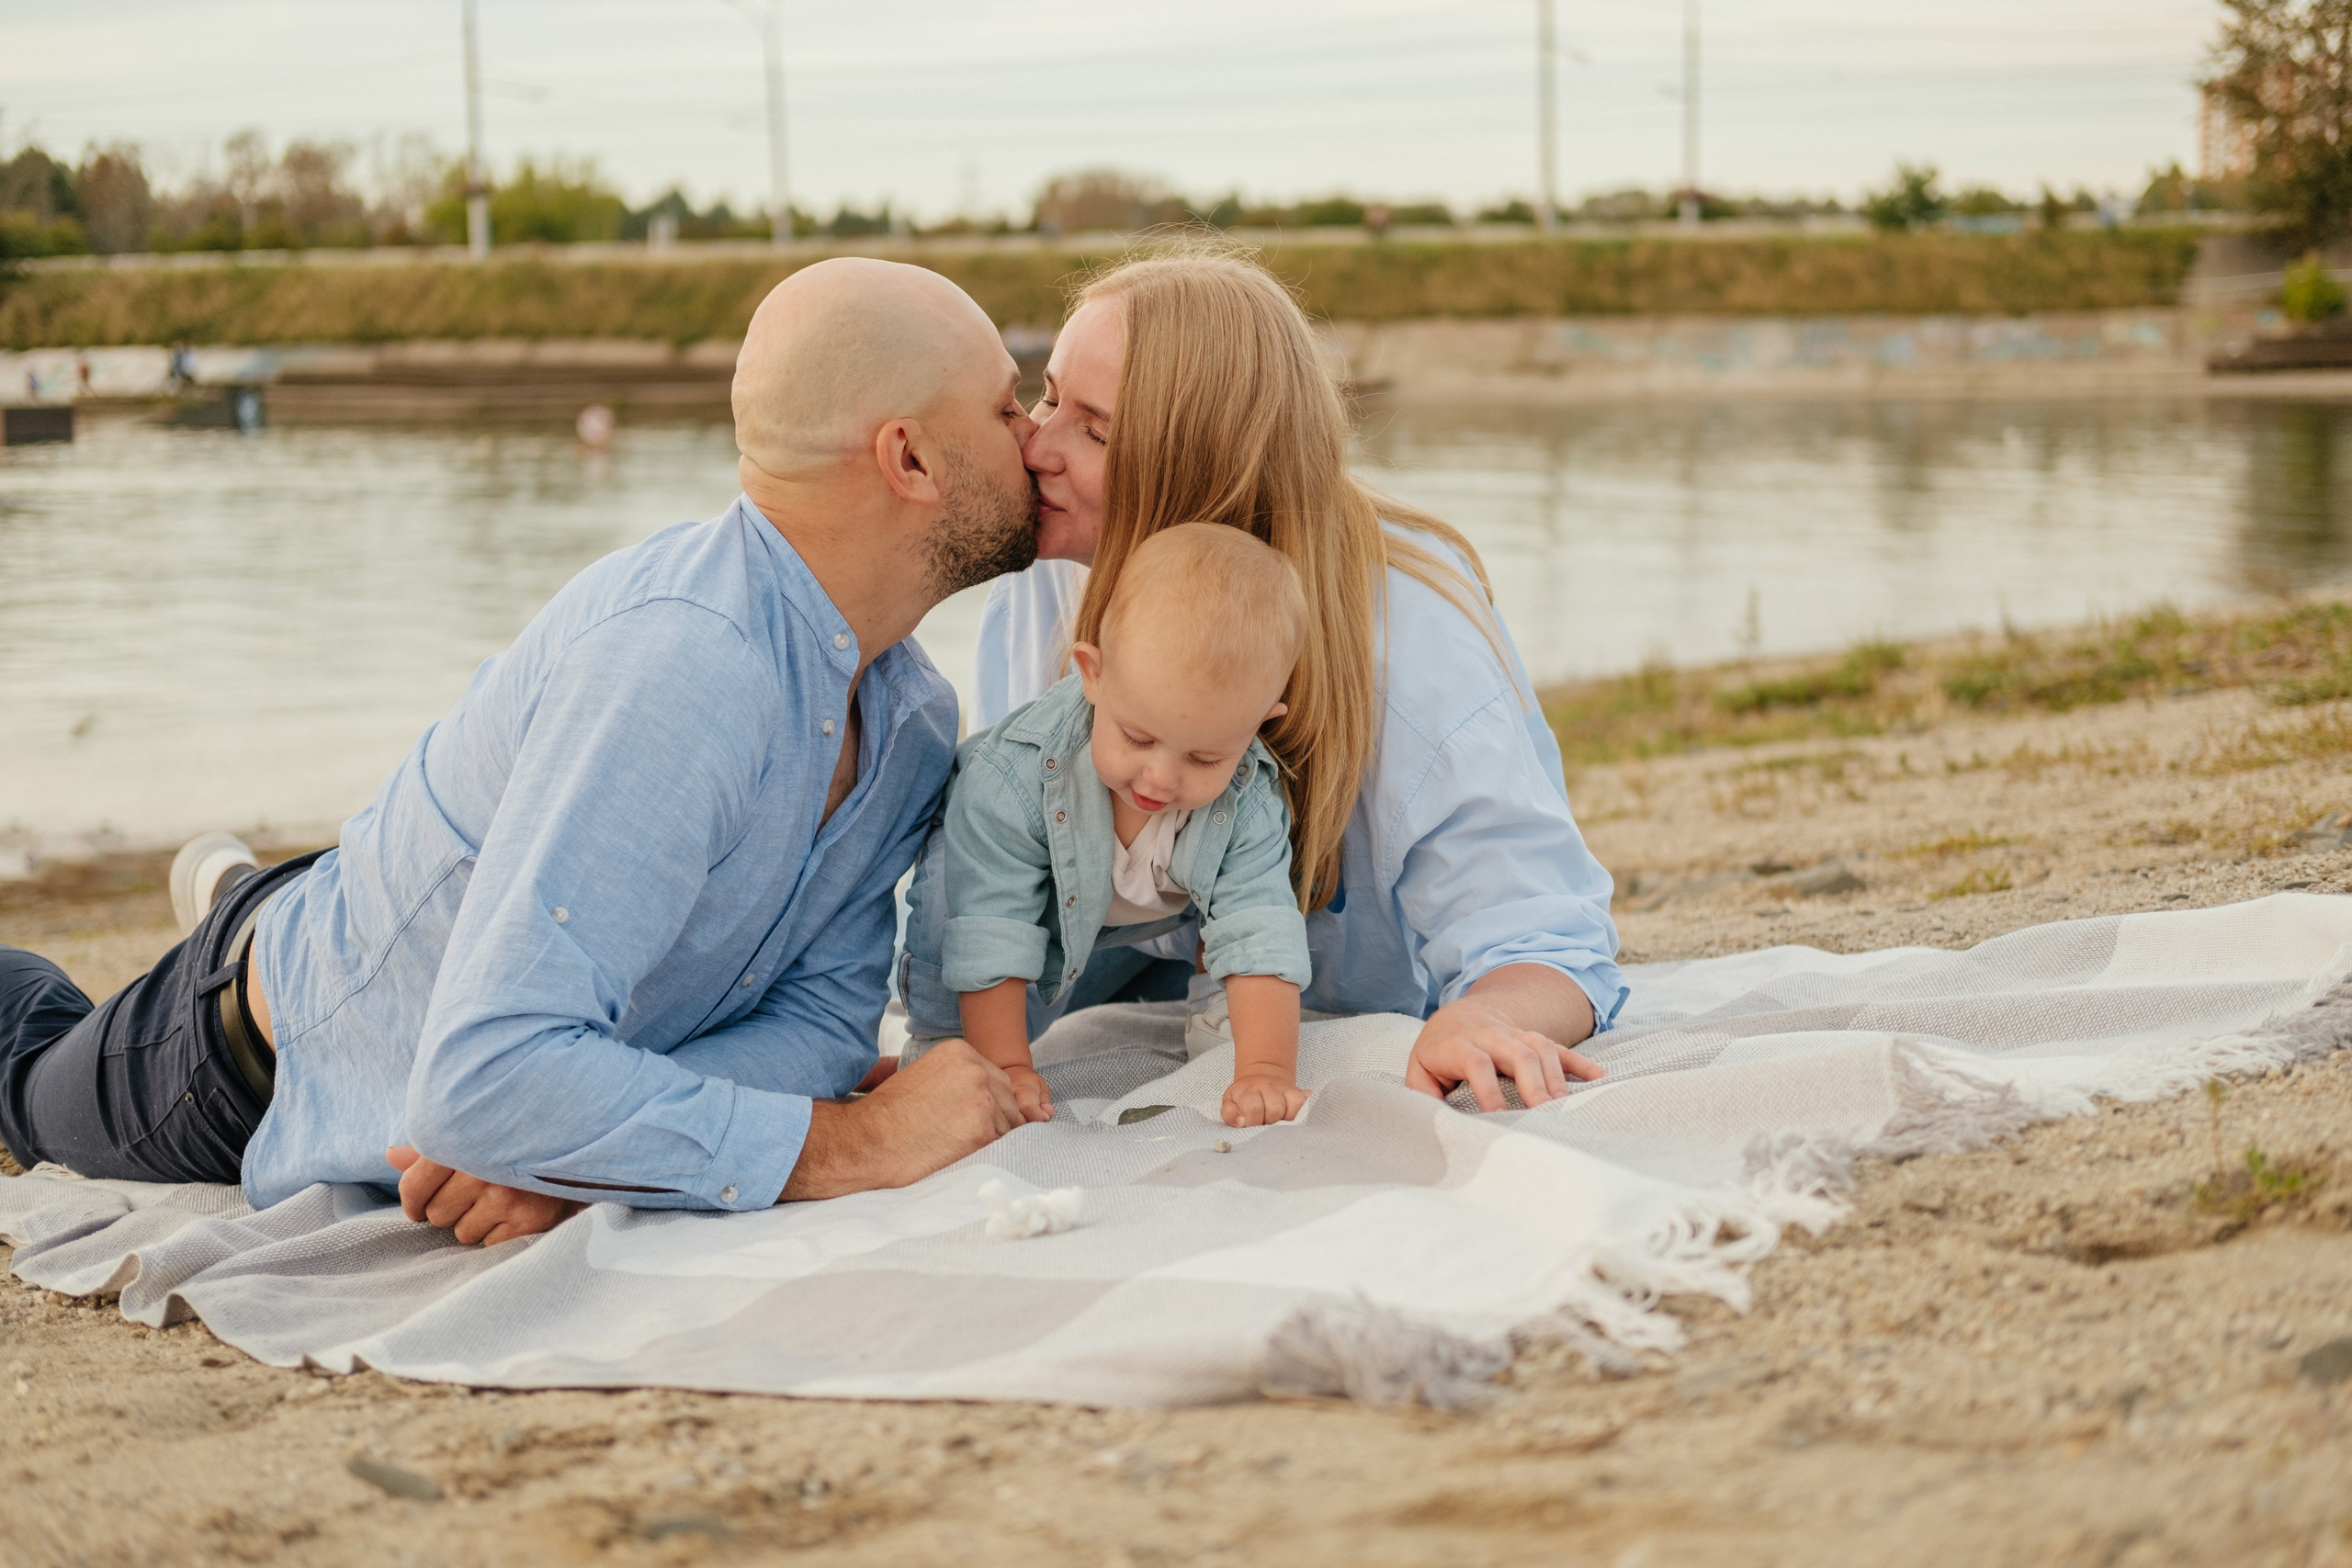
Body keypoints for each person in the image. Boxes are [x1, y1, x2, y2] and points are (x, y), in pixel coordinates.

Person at [0, 258, 1040, 1243]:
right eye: (1007, 408)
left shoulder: (909, 716)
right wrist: (857, 1141)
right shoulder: (685, 663)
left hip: (433, 925)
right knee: (26, 1060)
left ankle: (242, 886)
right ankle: (223, 916)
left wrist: (583, 1154)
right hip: (249, 1061)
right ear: (909, 458)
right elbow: (484, 1085)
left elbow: (819, 1026)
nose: (1034, 434)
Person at [967, 243, 1625, 1111]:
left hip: (1332, 1005)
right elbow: (1003, 856)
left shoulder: (1405, 635)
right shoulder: (1045, 585)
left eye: (1094, 429)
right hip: (1138, 979)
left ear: (1204, 469)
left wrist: (1485, 1016)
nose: (1037, 447)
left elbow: (1542, 930)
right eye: (1047, 396)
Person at [902, 524, 1315, 1130]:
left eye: (1205, 757)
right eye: (1139, 737)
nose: (1161, 777)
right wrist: (1008, 1067)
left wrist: (1266, 1070)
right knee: (951, 907)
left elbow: (1259, 926)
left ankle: (1217, 1012)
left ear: (1257, 722)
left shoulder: (1246, 793)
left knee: (1260, 887)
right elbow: (993, 926)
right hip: (1006, 888)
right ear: (1092, 673)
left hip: (1138, 908)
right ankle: (938, 1043)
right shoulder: (1011, 781)